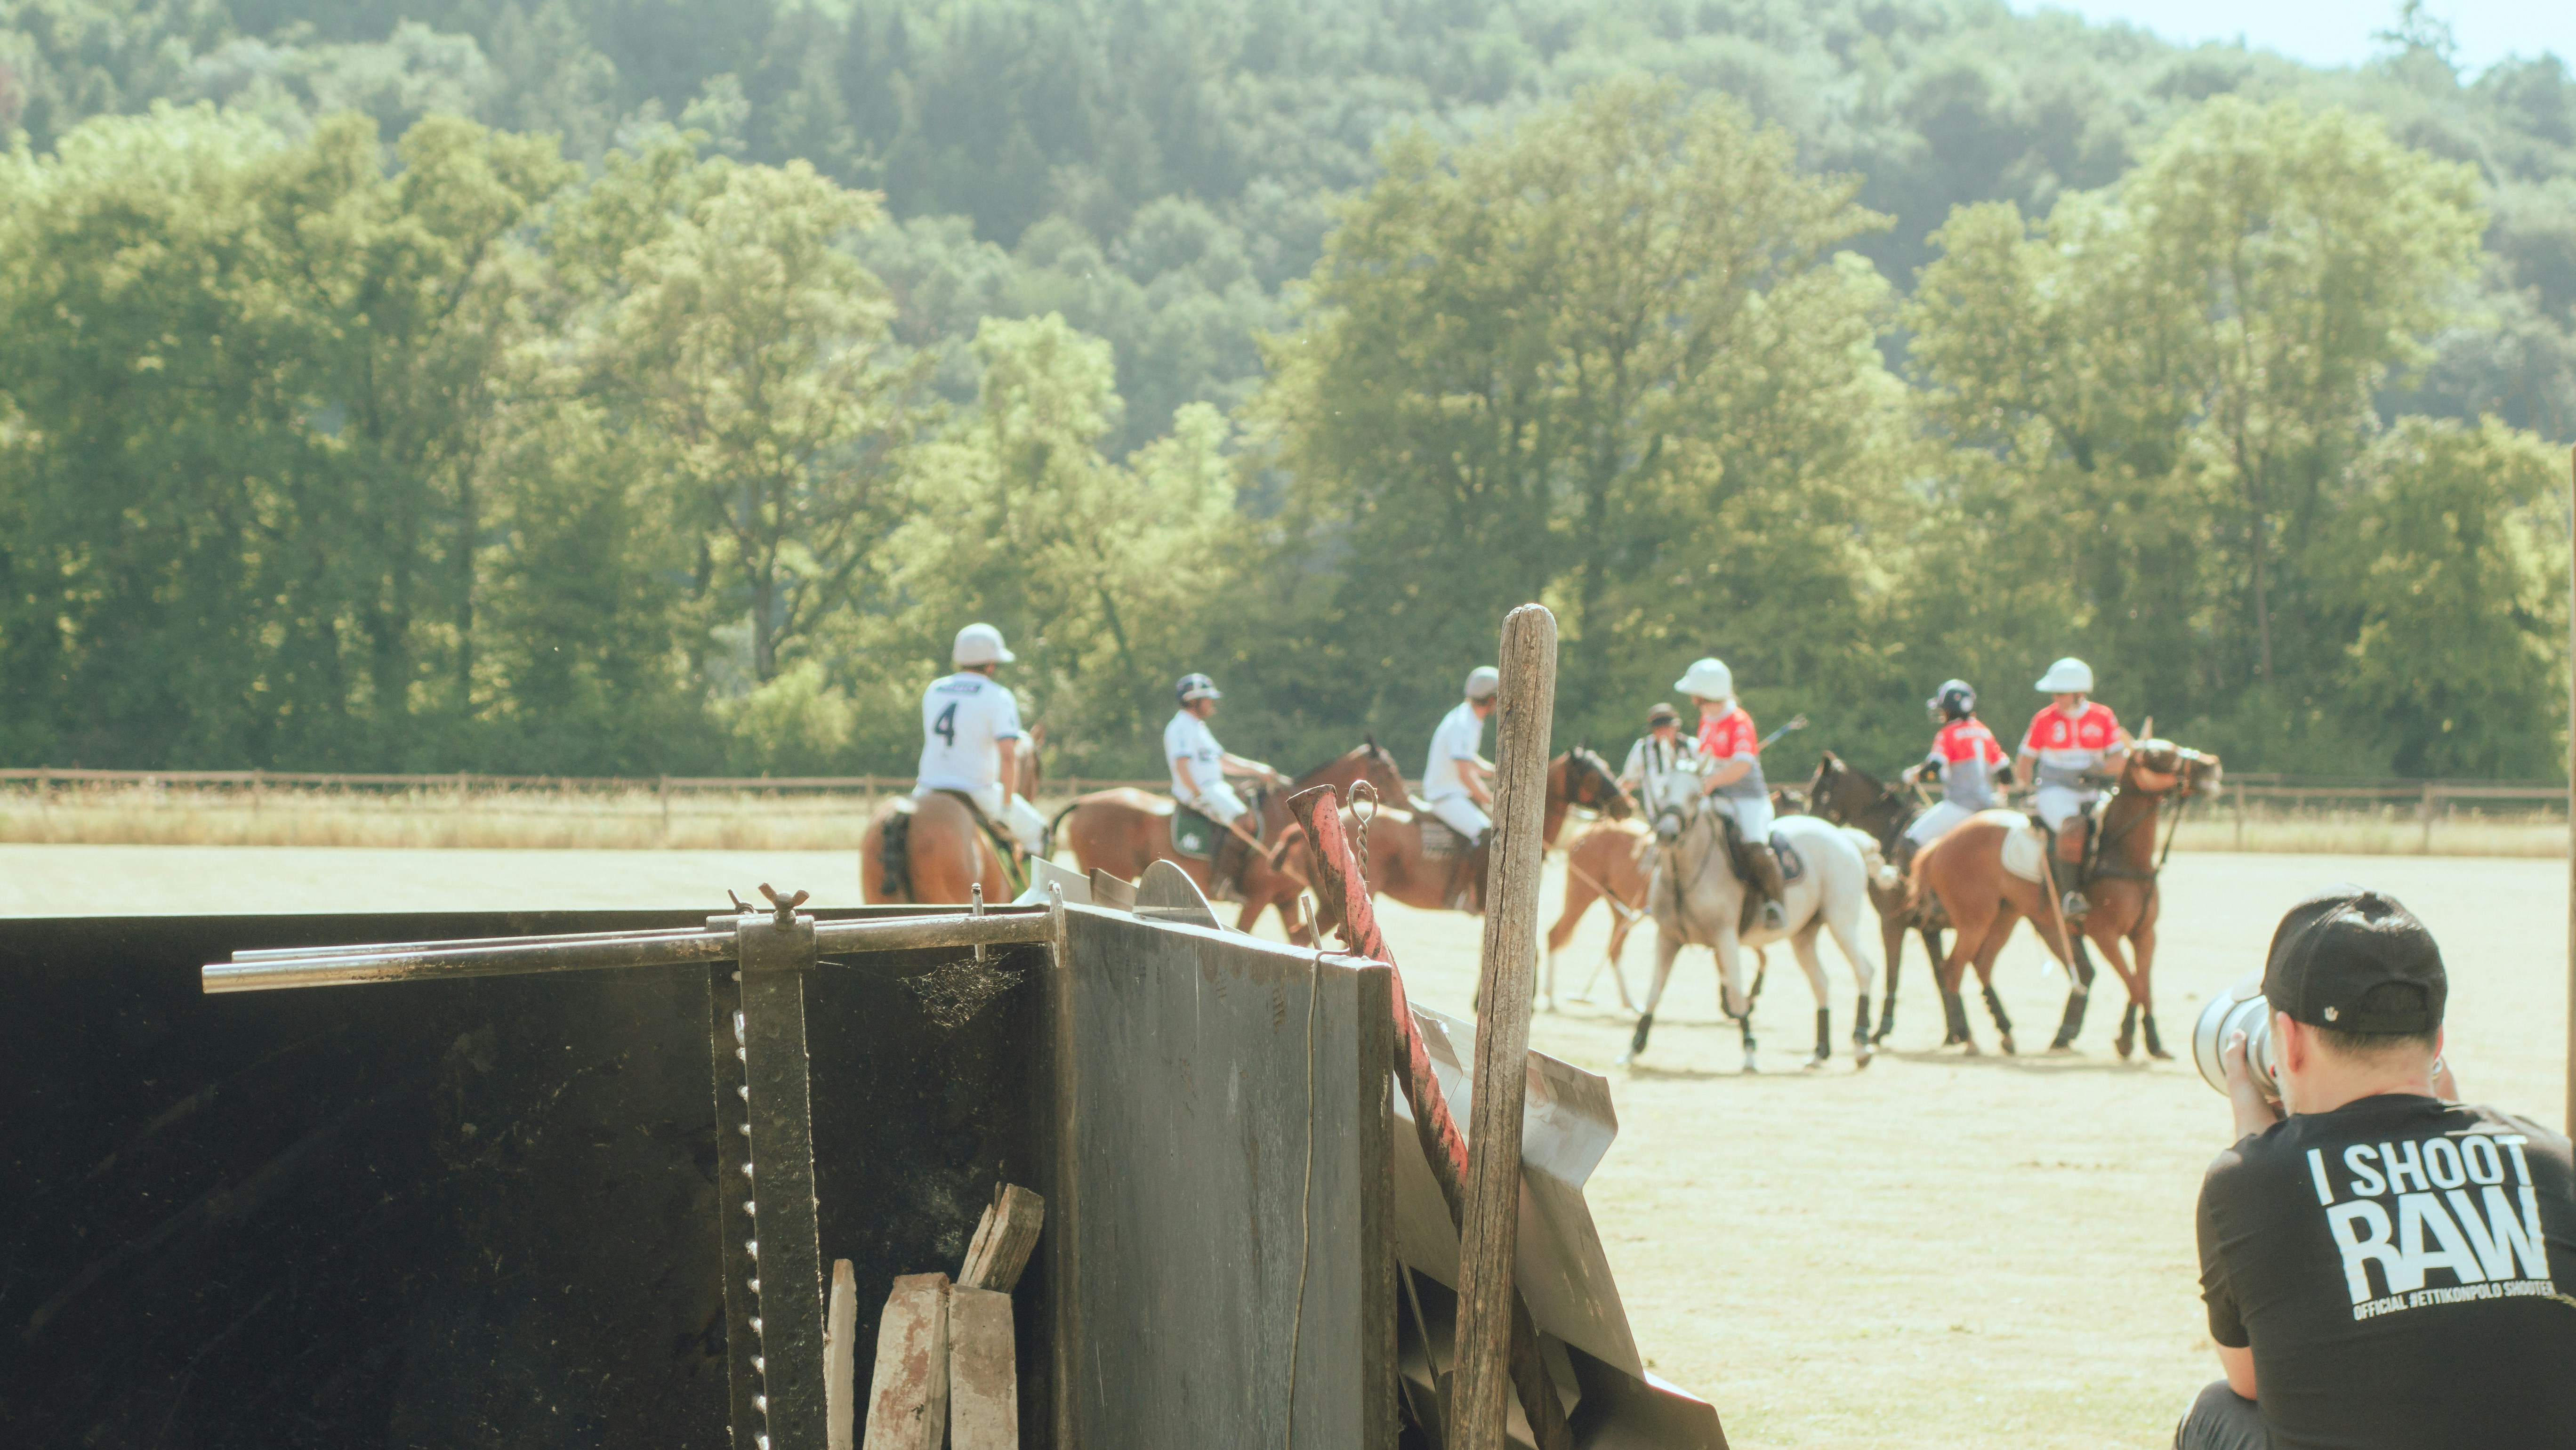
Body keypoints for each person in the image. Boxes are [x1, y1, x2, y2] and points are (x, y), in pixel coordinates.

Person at [2181, 886, 2576, 1449]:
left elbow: (2252, 1377)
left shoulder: (2247, 1184)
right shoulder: (2551, 1159)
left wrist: (2259, 1146)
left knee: (2215, 1409)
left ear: (2287, 1042)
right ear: (2437, 1039)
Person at [2013, 656, 2130, 922]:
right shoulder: (2044, 719)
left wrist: (2096, 772)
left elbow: (2119, 759)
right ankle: (2070, 896)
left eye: (2060, 693)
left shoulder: (2103, 716)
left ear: (2079, 694)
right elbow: (2025, 760)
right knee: (2073, 825)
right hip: (2056, 791)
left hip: (2094, 790)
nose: (2055, 698)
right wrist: (2025, 788)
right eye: (2053, 692)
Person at [914, 622, 1045, 858]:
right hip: (977, 790)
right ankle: (1026, 895)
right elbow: (1008, 756)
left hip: (928, 787)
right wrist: (1006, 808)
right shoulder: (998, 696)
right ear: (991, 665)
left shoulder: (934, 689)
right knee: (1039, 834)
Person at [1676, 657, 1785, 931]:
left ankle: (1775, 903)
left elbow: (1742, 765)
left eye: (1695, 694)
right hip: (1717, 797)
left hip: (1749, 799)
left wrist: (1712, 781)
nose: (1691, 698)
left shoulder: (1739, 721)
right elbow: (1703, 758)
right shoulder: (1708, 720)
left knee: (1755, 847)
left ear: (1704, 695)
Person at [1162, 672, 1285, 898]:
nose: (1212, 704)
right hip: (1198, 791)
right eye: (1207, 699)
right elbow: (1181, 765)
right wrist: (1198, 794)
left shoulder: (1198, 727)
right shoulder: (1181, 727)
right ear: (1193, 700)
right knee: (1245, 822)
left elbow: (1223, 760)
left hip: (1214, 787)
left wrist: (1258, 769)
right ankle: (1221, 883)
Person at [1422, 666, 1501, 909]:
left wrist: (1494, 771)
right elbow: (1465, 774)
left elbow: (1469, 759)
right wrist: (1490, 799)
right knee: (1486, 832)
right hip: (1445, 795)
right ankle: (1462, 895)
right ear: (1490, 700)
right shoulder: (1463, 724)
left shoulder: (1468, 717)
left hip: (1455, 793)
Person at [1903, 678, 2007, 850]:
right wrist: (2001, 797)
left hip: (1959, 806)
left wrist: (1914, 775)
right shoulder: (1985, 732)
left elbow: (1934, 768)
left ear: (1950, 710)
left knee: (1910, 843)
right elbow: (2005, 772)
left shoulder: (1948, 734)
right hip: (1989, 806)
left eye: (1944, 709)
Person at [1619, 702, 1705, 843]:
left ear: (1676, 727)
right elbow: (1628, 781)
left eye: (1667, 728)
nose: (1663, 732)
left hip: (1692, 825)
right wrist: (1620, 798)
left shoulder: (1693, 747)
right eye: (1658, 729)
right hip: (1656, 824)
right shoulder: (1642, 750)